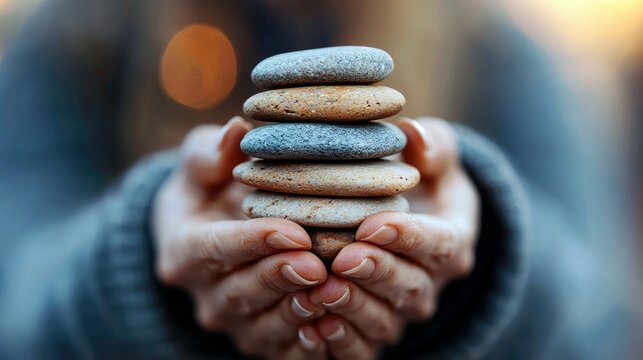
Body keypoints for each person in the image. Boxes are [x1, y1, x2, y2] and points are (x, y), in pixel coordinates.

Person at [0, 0, 635, 359]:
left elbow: (603, 325)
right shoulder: (76, 39)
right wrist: (143, 260)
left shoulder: (505, 57)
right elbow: (14, 307)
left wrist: (488, 261)